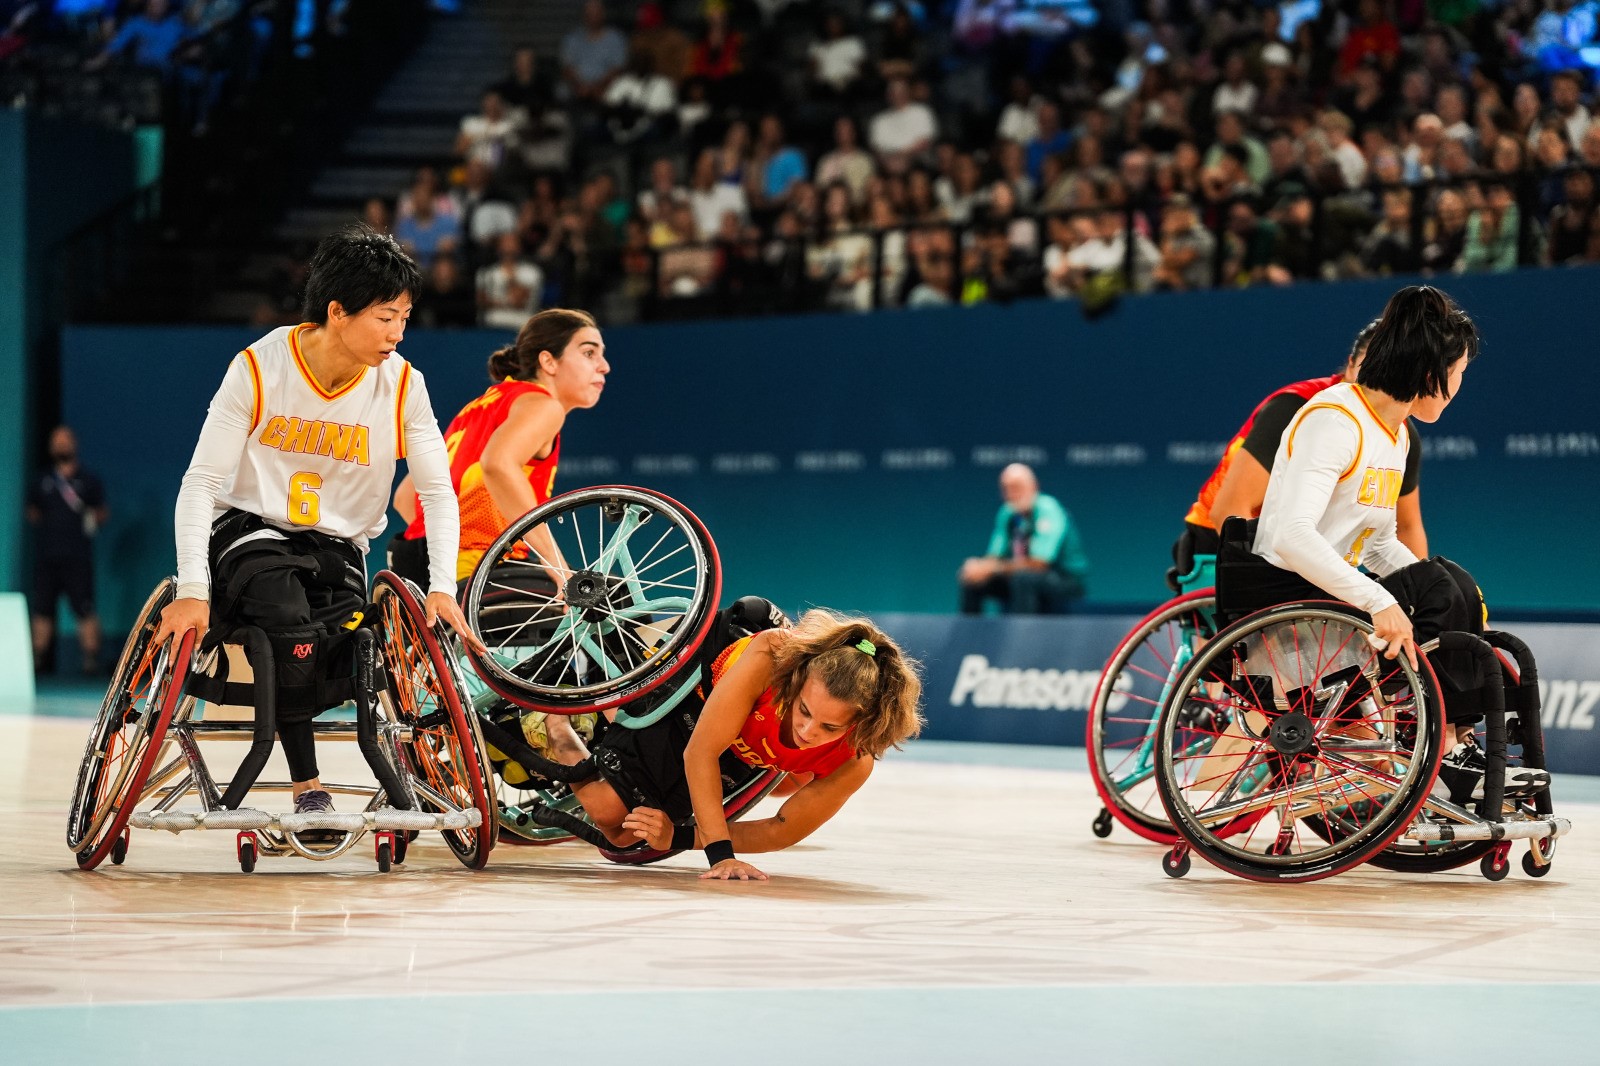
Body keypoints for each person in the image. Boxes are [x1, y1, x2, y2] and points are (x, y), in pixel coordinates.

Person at [152, 224, 480, 825]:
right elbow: (199, 483)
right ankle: (309, 784)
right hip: (250, 533)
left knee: (348, 637)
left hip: (338, 547)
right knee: (286, 611)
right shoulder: (257, 368)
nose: (397, 334)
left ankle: (383, 766)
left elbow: (437, 490)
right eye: (385, 318)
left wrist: (442, 587)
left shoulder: (405, 385)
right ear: (337, 311)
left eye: (405, 318)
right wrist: (193, 591)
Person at [1242, 285, 1547, 803]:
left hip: (1335, 593)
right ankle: (1442, 745)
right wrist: (1380, 599)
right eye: (1458, 375)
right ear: (1431, 373)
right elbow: (1292, 537)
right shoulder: (1335, 420)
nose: (1458, 388)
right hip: (1287, 593)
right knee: (1433, 586)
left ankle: (1455, 737)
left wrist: (1438, 592)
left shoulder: (1395, 433)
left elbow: (1379, 543)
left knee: (1457, 585)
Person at [547, 607, 924, 881]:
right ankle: (554, 721)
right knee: (607, 809)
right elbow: (701, 751)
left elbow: (782, 829)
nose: (808, 731)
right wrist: (719, 855)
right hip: (695, 703)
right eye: (803, 710)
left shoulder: (854, 762)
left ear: (862, 723)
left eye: (829, 727)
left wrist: (677, 836)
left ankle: (596, 731)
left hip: (741, 747)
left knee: (629, 837)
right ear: (796, 684)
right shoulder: (771, 657)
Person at [1182, 320, 1428, 592]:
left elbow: (1406, 527)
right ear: (1349, 366)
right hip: (1221, 544)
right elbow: (1228, 511)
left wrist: (1423, 597)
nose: (1380, 385)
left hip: (1301, 552)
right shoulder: (1295, 409)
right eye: (1371, 370)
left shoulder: (1402, 434)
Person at [389, 309, 608, 591]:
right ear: (548, 362)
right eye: (589, 353)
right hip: (477, 568)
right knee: (618, 603)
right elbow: (499, 464)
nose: (604, 366)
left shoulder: (483, 405)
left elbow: (407, 496)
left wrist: (445, 545)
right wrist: (557, 568)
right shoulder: (543, 405)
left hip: (417, 565)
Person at [27, 426, 107, 674]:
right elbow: (32, 513)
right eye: (56, 442)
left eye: (65, 441)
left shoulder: (88, 481)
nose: (60, 446)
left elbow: (102, 513)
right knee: (42, 610)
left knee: (85, 609)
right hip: (47, 557)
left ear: (74, 445)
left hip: (77, 558)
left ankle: (91, 661)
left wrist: (90, 518)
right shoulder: (42, 481)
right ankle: (37, 661)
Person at [958, 463, 1088, 614]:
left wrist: (994, 568)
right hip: (1020, 577)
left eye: (1017, 487)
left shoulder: (1048, 509)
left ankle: (1021, 635)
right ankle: (971, 634)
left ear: (1034, 487)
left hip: (1064, 580)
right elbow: (995, 556)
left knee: (1023, 579)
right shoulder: (1007, 514)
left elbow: (1040, 563)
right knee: (973, 578)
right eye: (1006, 489)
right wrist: (980, 567)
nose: (1012, 494)